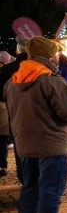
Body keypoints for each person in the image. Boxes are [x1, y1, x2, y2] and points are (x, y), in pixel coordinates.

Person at [5, 37, 67, 213]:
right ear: (49, 56)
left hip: (25, 144)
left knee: (30, 188)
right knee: (51, 191)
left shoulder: (13, 80)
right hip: (51, 145)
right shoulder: (50, 80)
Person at [0, 41, 28, 179]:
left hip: (14, 113)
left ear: (17, 52)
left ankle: (24, 177)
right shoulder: (43, 68)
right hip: (38, 116)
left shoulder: (6, 70)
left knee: (19, 144)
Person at [0, 51, 15, 176]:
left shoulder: (4, 71)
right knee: (2, 137)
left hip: (3, 106)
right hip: (2, 106)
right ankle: (1, 164)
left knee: (2, 137)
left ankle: (2, 164)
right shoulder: (7, 71)